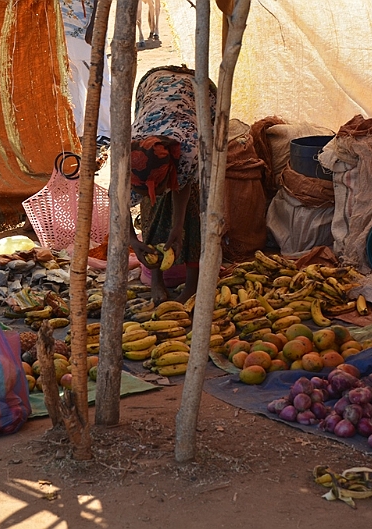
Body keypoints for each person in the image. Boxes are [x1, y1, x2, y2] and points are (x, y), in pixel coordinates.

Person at [128, 66, 217, 305]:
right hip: (153, 84)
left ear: (170, 171)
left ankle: (192, 285)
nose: (155, 194)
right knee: (152, 209)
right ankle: (157, 280)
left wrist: (177, 227)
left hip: (199, 91)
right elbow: (116, 207)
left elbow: (183, 188)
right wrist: (132, 242)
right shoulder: (131, 158)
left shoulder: (189, 151)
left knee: (193, 210)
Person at [60, 0, 112, 146]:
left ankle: (106, 131)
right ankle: (78, 130)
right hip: (64, 31)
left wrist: (95, 23)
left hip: (86, 30)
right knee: (72, 85)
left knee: (98, 82)